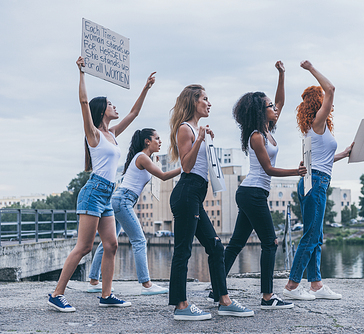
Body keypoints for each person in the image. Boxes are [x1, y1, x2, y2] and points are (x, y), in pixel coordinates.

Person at [47, 56, 155, 312]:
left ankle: (106, 294)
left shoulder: (113, 134)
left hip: (108, 194)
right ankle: (57, 294)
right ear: (101, 110)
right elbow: (83, 101)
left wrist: (146, 88)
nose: (114, 106)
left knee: (112, 244)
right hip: (93, 192)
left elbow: (134, 113)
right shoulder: (93, 133)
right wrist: (82, 72)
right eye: (109, 104)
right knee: (84, 246)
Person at [215, 61, 306, 310]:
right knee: (271, 243)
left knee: (235, 244)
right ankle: (267, 297)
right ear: (259, 110)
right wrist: (296, 171)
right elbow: (268, 169)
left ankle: (217, 288)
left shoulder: (268, 129)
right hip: (252, 193)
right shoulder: (256, 135)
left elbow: (281, 103)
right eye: (269, 106)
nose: (274, 108)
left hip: (252, 193)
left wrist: (282, 75)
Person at [168, 84, 254, 321]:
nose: (209, 103)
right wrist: (201, 140)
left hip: (195, 195)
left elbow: (206, 165)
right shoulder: (185, 129)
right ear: (193, 102)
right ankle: (181, 305)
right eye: (205, 99)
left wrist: (207, 141)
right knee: (183, 251)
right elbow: (186, 166)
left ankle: (223, 300)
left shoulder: (197, 130)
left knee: (216, 247)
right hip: (186, 192)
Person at [282, 60, 353, 301]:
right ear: (319, 101)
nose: (326, 99)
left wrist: (343, 154)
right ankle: (292, 286)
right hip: (317, 183)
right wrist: (311, 68)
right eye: (321, 97)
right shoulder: (318, 122)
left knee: (316, 235)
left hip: (311, 182)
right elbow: (331, 88)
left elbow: (322, 158)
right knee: (311, 235)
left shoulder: (313, 128)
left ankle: (316, 284)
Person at [87, 128, 181, 295]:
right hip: (123, 200)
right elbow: (164, 176)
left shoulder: (144, 158)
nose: (160, 141)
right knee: (139, 241)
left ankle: (94, 280)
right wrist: (185, 168)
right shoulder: (142, 157)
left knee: (108, 242)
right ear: (147, 141)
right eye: (157, 138)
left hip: (119, 199)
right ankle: (146, 284)